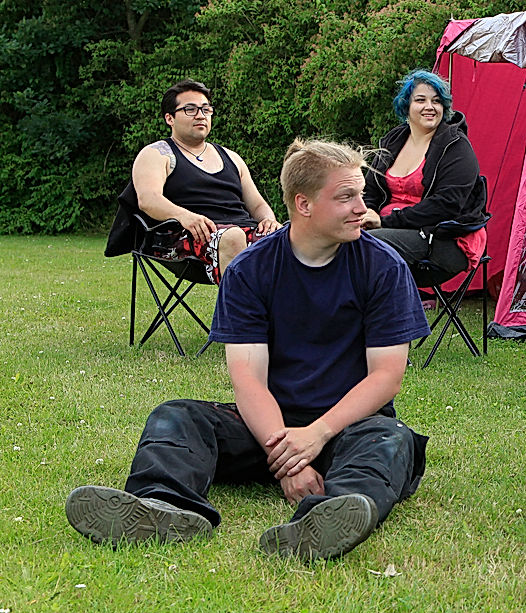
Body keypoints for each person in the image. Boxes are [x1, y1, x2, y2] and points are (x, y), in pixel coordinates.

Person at [67, 139, 432, 560]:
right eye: (346, 197)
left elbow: (386, 376)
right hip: (264, 426)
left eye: (361, 195)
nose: (361, 209)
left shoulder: (383, 266)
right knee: (177, 416)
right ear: (304, 204)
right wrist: (287, 457)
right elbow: (248, 379)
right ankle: (162, 506)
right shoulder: (250, 269)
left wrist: (316, 435)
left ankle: (326, 518)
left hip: (347, 427)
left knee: (390, 439)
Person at [127, 79, 281, 283]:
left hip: (244, 231)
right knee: (233, 236)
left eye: (206, 109)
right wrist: (185, 216)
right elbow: (148, 199)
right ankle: (239, 304)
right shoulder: (157, 154)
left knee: (293, 237)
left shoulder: (232, 158)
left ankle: (292, 304)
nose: (200, 115)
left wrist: (269, 220)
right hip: (188, 236)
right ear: (169, 118)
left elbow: (258, 204)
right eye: (190, 109)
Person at [362, 69, 487, 288]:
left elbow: (446, 205)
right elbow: (370, 190)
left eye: (436, 101)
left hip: (443, 237)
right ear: (406, 106)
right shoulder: (392, 142)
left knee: (364, 246)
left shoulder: (455, 146)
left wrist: (385, 221)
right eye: (421, 100)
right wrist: (365, 215)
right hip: (388, 229)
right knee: (333, 237)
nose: (430, 106)